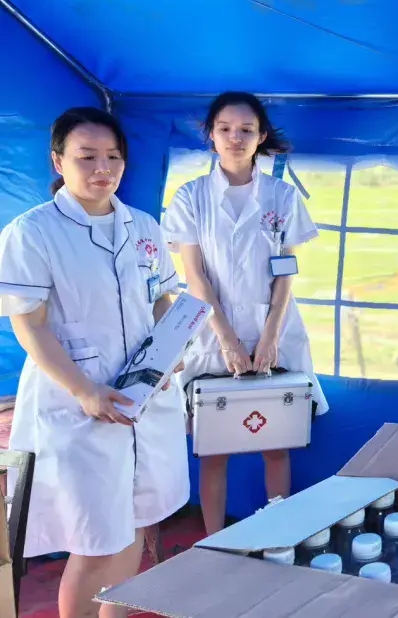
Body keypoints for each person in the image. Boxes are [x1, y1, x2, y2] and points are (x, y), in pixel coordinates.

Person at [0, 107, 188, 618]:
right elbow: (30, 325)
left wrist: (171, 353)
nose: (102, 168)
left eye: (113, 157)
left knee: (135, 526)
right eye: (87, 157)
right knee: (96, 541)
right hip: (78, 404)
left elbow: (162, 299)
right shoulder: (33, 232)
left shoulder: (143, 226)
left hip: (142, 400)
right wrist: (84, 390)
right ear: (58, 161)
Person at [162, 91, 327, 536]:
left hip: (274, 329)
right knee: (213, 447)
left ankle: (277, 537)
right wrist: (228, 341)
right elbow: (195, 277)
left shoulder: (282, 196)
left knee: (277, 442)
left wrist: (269, 337)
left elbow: (286, 275)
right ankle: (213, 542)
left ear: (261, 136)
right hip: (211, 333)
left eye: (246, 130)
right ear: (211, 135)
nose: (235, 138)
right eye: (225, 129)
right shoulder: (191, 197)